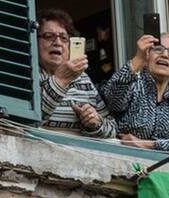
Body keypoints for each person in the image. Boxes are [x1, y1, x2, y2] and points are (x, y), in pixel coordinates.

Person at [101, 33, 169, 151]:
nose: (165, 54)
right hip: (122, 156)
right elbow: (113, 100)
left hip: (161, 164)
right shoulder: (133, 82)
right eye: (158, 49)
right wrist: (138, 59)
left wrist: (148, 144)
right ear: (147, 58)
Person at [37, 8, 117, 138]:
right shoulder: (29, 76)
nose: (57, 42)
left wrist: (95, 123)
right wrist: (61, 79)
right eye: (48, 36)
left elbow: (113, 129)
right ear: (35, 41)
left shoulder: (82, 78)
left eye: (64, 38)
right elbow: (30, 119)